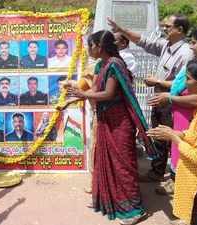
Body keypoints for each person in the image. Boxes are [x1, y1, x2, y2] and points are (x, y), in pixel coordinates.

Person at [68, 30, 158, 224]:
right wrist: (79, 90)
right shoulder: (101, 64)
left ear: (99, 47)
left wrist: (85, 96)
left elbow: (108, 93)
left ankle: (134, 210)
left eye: (90, 46)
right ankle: (111, 199)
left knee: (123, 164)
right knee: (107, 160)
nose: (88, 49)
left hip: (119, 122)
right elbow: (94, 89)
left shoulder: (116, 64)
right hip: (105, 119)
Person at [108, 15, 194, 182]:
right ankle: (157, 172)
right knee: (159, 135)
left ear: (180, 30)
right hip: (159, 96)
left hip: (173, 100)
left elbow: (185, 84)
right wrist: (121, 29)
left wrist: (158, 81)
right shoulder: (166, 45)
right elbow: (143, 41)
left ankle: (177, 179)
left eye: (168, 26)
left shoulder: (186, 53)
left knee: (173, 138)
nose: (164, 29)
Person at [148, 57, 197, 225]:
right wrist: (176, 133)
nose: (184, 83)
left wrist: (174, 138)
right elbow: (196, 134)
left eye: (188, 78)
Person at [148, 27, 197, 196]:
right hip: (185, 116)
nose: (190, 46)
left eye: (194, 42)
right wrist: (176, 134)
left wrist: (175, 136)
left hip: (190, 116)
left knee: (195, 166)